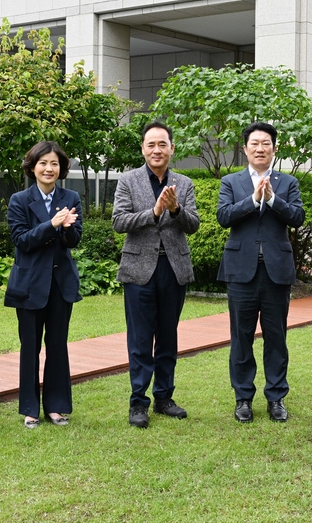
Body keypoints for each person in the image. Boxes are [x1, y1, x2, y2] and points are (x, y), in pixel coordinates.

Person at [112, 121, 200, 429]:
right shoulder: (128, 180)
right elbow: (119, 221)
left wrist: (175, 210)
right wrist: (153, 213)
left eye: (162, 144)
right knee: (139, 339)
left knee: (167, 336)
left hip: (173, 269)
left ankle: (164, 397)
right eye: (151, 145)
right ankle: (139, 402)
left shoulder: (184, 183)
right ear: (143, 149)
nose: (157, 150)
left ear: (172, 148)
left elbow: (193, 224)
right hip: (139, 270)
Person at [217, 122, 305, 423]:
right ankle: (243, 398)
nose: (260, 148)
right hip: (240, 271)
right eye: (254, 143)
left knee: (276, 337)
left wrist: (271, 200)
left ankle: (276, 397)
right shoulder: (231, 181)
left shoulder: (288, 182)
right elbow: (223, 217)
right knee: (241, 337)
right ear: (245, 148)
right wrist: (253, 200)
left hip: (276, 272)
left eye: (265, 143)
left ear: (274, 148)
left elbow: (297, 217)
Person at [4, 141, 82, 429]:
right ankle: (29, 408)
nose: (49, 168)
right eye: (43, 163)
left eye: (54, 164)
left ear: (61, 169)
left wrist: (68, 227)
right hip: (29, 284)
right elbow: (21, 240)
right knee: (30, 347)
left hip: (61, 284)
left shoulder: (71, 196)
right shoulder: (19, 200)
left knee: (58, 345)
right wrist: (51, 224)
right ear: (32, 167)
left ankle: (57, 406)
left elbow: (75, 241)